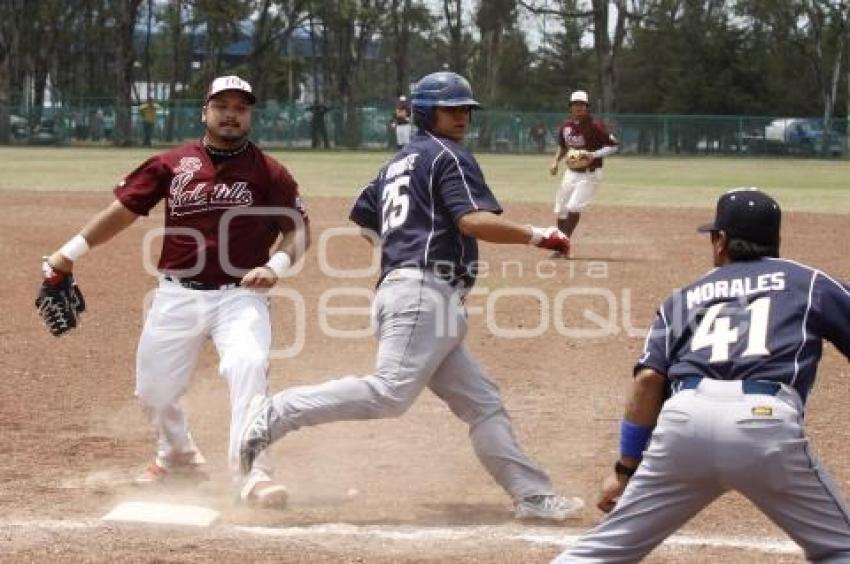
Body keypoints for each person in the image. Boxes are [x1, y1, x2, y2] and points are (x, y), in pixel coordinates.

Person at [238, 71, 582, 521]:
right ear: (425, 112)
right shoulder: (449, 155)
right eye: (451, 108)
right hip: (422, 294)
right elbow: (473, 222)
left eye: (466, 109)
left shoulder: (395, 163)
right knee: (390, 394)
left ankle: (532, 495)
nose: (462, 117)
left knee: (483, 404)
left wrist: (397, 255)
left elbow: (363, 219)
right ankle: (276, 413)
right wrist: (540, 235)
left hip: (422, 295)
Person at [37, 75, 310, 507]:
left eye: (241, 107)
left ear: (250, 115)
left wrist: (274, 265)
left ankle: (253, 472)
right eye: (222, 105)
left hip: (241, 295)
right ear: (205, 111)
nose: (231, 114)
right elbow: (122, 212)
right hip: (177, 293)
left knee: (249, 367)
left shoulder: (270, 172)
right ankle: (177, 456)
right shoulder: (172, 163)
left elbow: (297, 232)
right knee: (153, 391)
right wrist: (66, 254)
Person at [555, 188, 850, 562]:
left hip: (683, 422)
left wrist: (625, 469)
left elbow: (648, 381)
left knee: (601, 551)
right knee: (841, 548)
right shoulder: (809, 282)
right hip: (763, 423)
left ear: (721, 241)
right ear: (776, 240)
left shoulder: (683, 297)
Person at [548, 90, 618, 258]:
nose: (578, 107)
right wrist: (555, 161)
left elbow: (614, 146)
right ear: (571, 107)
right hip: (570, 173)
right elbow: (563, 147)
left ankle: (562, 245)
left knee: (573, 207)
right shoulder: (566, 127)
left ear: (587, 107)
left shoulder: (595, 126)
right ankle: (561, 245)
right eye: (575, 104)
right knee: (561, 210)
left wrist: (593, 155)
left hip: (589, 174)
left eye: (582, 105)